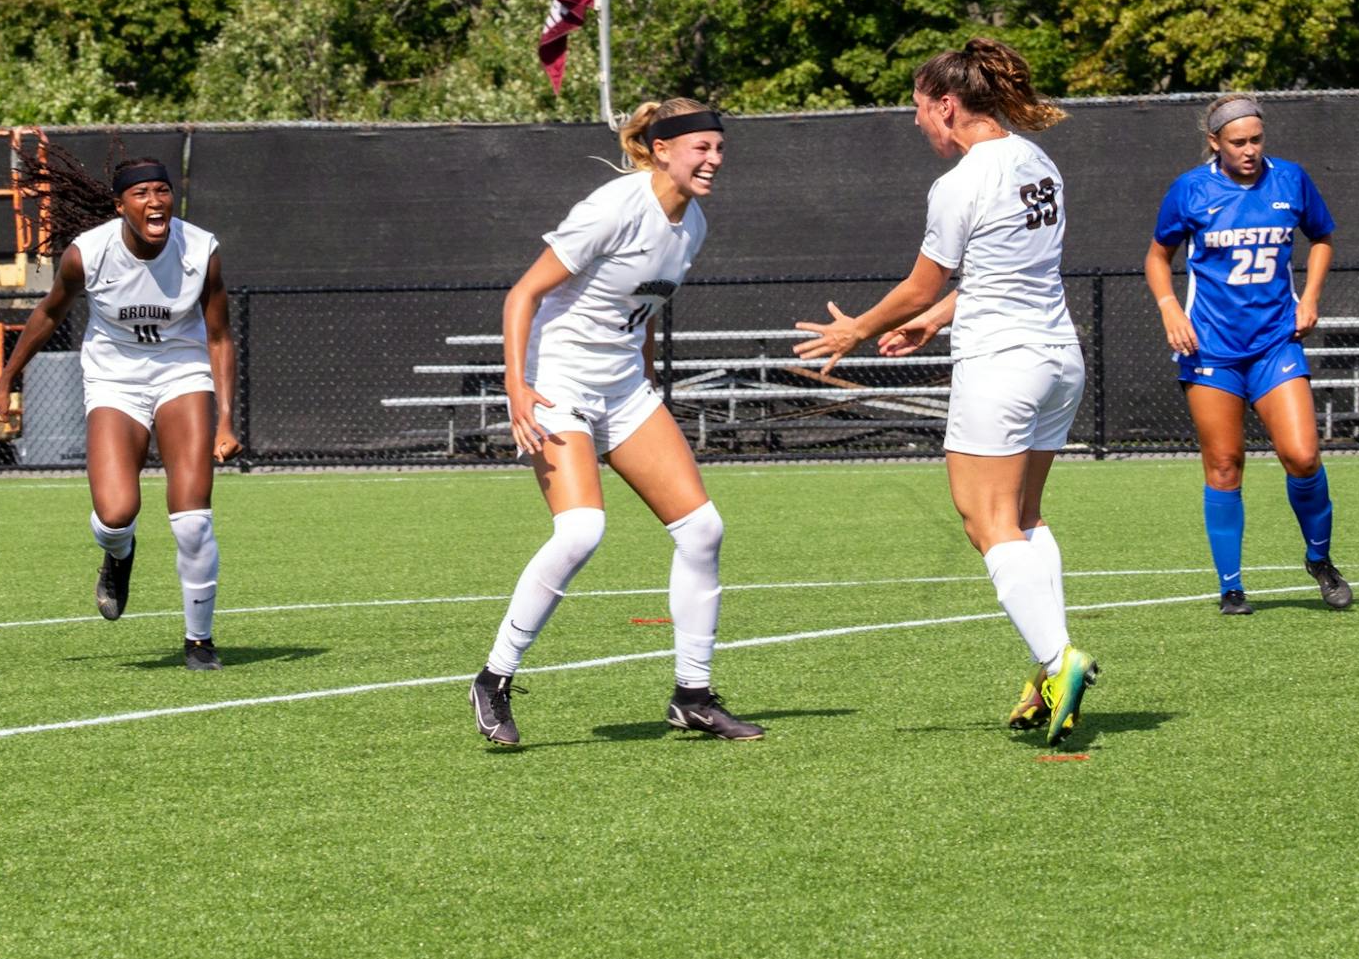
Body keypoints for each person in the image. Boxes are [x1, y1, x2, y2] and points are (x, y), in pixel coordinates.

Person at [794, 38, 1098, 747]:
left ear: (948, 104)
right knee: (1024, 516)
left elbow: (922, 281)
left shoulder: (962, 180)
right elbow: (996, 272)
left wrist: (857, 332)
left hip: (1003, 366)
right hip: (1058, 359)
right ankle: (1048, 665)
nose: (917, 124)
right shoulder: (1038, 162)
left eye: (920, 110)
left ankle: (1061, 659)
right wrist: (932, 320)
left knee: (983, 518)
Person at [467, 98, 763, 747]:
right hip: (558, 384)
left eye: (719, 148)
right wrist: (518, 386)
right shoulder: (613, 207)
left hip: (625, 390)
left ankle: (693, 694)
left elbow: (644, 306)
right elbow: (523, 294)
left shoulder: (695, 224)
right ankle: (493, 678)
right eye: (700, 148)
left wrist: (646, 376)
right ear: (662, 149)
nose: (714, 160)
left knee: (702, 529)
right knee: (581, 530)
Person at [0, 154, 241, 669]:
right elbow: (49, 311)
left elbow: (218, 337)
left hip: (180, 375)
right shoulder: (88, 254)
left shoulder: (201, 250)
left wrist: (226, 418)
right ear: (120, 204)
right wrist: (6, 380)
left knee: (192, 520)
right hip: (114, 381)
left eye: (162, 191)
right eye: (142, 194)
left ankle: (199, 640)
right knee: (115, 513)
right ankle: (118, 555)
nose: (155, 202)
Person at [1145, 94, 1351, 616]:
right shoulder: (1190, 189)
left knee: (1302, 455)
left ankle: (1320, 560)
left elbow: (1322, 237)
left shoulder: (1290, 180)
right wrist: (1170, 307)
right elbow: (1156, 256)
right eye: (1238, 142)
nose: (1250, 150)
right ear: (1215, 142)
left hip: (1274, 342)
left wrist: (1310, 297)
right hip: (1211, 348)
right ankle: (1231, 586)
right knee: (1223, 465)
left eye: (1256, 139)